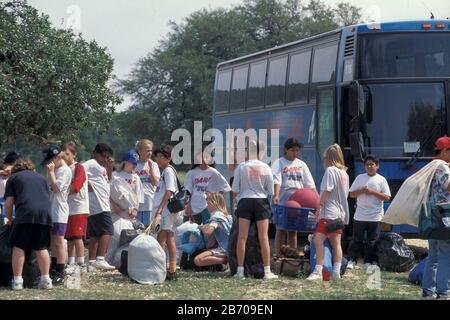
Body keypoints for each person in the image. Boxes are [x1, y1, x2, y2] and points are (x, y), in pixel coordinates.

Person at [232, 140, 278, 280]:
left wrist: (238, 200)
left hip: (244, 201)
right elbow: (270, 190)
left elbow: (235, 189)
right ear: (261, 152)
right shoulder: (266, 167)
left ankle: (240, 271)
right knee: (263, 237)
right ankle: (267, 271)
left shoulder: (241, 167)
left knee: (242, 237)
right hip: (260, 201)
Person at [4, 159, 53, 290]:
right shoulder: (41, 178)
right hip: (45, 213)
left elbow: (8, 204)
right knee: (41, 246)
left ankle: (18, 281)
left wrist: (10, 219)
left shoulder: (13, 177)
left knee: (19, 246)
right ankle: (46, 279)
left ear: (15, 169)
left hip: (25, 212)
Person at [307, 144, 349, 281]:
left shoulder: (330, 170)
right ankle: (336, 272)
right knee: (336, 243)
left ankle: (318, 271)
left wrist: (319, 208)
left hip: (328, 212)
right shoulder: (344, 173)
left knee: (318, 240)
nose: (324, 161)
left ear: (329, 158)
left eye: (325, 158)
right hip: (339, 214)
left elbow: (326, 191)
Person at [271, 137, 316, 256]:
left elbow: (310, 185)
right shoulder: (279, 162)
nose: (295, 153)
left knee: (292, 230)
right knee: (280, 228)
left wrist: (318, 201)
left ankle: (293, 254)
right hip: (283, 202)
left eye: (297, 151)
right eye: (293, 150)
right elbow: (277, 180)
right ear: (286, 149)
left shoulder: (302, 164)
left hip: (297, 203)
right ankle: (277, 255)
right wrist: (276, 195)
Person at [347, 155, 391, 269]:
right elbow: (351, 194)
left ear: (377, 166)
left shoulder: (381, 180)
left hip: (375, 216)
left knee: (372, 241)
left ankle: (368, 261)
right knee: (356, 240)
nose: (369, 166)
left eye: (372, 164)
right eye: (367, 164)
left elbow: (387, 197)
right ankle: (352, 260)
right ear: (364, 166)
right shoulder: (359, 178)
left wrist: (372, 192)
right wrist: (361, 191)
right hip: (360, 215)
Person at [422, 136, 450, 300]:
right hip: (444, 217)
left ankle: (428, 291)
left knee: (433, 256)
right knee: (445, 254)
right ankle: (444, 292)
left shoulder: (431, 166)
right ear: (445, 151)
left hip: (431, 216)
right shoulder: (442, 167)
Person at [83, 143, 116, 271]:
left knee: (95, 234)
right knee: (107, 231)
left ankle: (91, 261)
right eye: (103, 156)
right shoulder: (91, 163)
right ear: (96, 153)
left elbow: (108, 180)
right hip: (99, 204)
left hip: (99, 203)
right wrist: (85, 184)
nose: (105, 159)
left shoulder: (101, 166)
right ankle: (100, 259)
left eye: (108, 157)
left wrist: (109, 167)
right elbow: (77, 170)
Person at [43, 145, 72, 285]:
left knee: (59, 242)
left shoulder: (65, 171)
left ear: (57, 157)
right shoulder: (52, 170)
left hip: (59, 211)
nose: (49, 164)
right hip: (50, 210)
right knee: (52, 242)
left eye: (50, 160)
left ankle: (61, 270)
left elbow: (55, 188)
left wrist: (52, 172)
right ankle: (53, 268)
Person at [152, 144, 180, 280]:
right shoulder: (166, 171)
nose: (158, 159)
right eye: (157, 157)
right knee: (169, 237)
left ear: (168, 158)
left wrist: (160, 207)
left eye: (161, 157)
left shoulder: (168, 171)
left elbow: (170, 190)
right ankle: (171, 269)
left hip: (166, 210)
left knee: (162, 239)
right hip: (167, 210)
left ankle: (162, 268)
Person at [61, 142, 90, 273]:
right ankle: (71, 261)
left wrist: (62, 192)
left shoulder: (79, 167)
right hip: (68, 207)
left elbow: (77, 185)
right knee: (70, 236)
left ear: (74, 154)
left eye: (67, 154)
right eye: (63, 154)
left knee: (78, 236)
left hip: (79, 207)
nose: (65, 157)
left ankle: (81, 262)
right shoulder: (64, 169)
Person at [184, 146, 231, 224]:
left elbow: (225, 187)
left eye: (206, 156)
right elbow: (188, 191)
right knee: (194, 231)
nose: (203, 159)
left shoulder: (213, 172)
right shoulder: (192, 172)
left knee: (208, 231)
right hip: (194, 206)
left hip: (208, 207)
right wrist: (188, 205)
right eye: (201, 156)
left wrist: (215, 200)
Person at [193, 192, 232, 271]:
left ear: (214, 203)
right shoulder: (227, 216)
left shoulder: (216, 216)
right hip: (230, 247)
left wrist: (199, 227)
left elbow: (208, 232)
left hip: (224, 248)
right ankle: (226, 261)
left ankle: (225, 261)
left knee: (197, 260)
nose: (207, 206)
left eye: (208, 203)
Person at [111, 150, 144, 220]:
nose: (134, 165)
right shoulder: (114, 175)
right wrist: (115, 207)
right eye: (132, 163)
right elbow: (108, 193)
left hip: (130, 213)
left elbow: (139, 195)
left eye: (136, 163)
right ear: (125, 162)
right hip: (116, 211)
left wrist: (135, 209)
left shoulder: (136, 177)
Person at [134, 139, 160, 227]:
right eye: (147, 150)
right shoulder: (133, 164)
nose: (150, 153)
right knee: (136, 228)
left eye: (151, 150)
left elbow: (155, 183)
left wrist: (151, 169)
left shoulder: (154, 165)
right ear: (139, 151)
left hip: (149, 202)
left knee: (148, 228)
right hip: (135, 203)